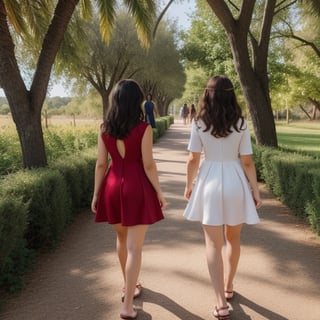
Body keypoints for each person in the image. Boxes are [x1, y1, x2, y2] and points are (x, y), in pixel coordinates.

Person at [183, 75, 261, 320]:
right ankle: (229, 286)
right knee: (233, 239)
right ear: (231, 95)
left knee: (212, 244)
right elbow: (247, 161)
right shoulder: (241, 123)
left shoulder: (199, 123)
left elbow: (193, 159)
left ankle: (220, 303)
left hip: (209, 182)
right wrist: (255, 190)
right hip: (235, 181)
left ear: (208, 94)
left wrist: (189, 185)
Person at [91, 79, 167, 319]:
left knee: (121, 239)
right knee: (135, 247)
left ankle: (129, 285)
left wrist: (95, 194)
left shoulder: (104, 128)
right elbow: (148, 164)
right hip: (137, 187)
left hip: (112, 186)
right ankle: (126, 306)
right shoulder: (143, 128)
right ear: (137, 102)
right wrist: (159, 191)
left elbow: (101, 164)